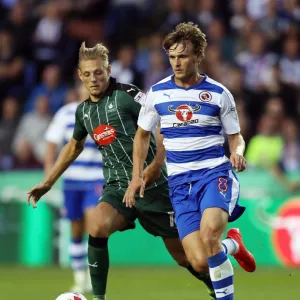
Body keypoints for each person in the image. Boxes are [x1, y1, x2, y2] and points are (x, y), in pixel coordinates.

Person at [27, 41, 253, 300]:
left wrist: (156, 165)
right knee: (97, 226)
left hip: (155, 187)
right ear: (80, 75)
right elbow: (73, 146)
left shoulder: (129, 95)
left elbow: (163, 127)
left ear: (108, 70)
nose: (93, 79)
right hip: (117, 188)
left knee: (195, 261)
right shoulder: (84, 112)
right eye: (87, 74)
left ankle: (224, 265)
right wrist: (48, 182)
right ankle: (98, 297)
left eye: (98, 72)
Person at [124, 22, 256, 300]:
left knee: (209, 238)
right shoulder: (157, 93)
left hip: (213, 174)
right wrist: (137, 174)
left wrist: (239, 153)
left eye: (182, 56)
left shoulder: (219, 93)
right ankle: (233, 245)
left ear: (198, 55)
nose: (176, 62)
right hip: (180, 183)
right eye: (172, 57)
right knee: (197, 261)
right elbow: (141, 136)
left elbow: (236, 137)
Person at [44, 84, 105, 293]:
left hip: (96, 179)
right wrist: (49, 173)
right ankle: (80, 277)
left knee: (93, 225)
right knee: (75, 229)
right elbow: (52, 142)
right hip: (71, 180)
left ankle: (91, 273)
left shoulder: (104, 111)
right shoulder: (66, 113)